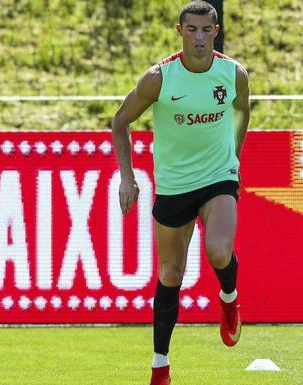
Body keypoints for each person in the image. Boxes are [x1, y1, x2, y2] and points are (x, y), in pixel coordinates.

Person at [111, 1, 250, 384]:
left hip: (218, 176)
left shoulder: (233, 74)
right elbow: (120, 121)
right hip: (174, 184)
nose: (200, 38)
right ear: (180, 31)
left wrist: (233, 160)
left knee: (218, 250)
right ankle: (161, 366)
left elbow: (242, 111)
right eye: (192, 30)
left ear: (216, 32)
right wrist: (128, 178)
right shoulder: (159, 78)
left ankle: (229, 300)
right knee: (171, 273)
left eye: (207, 30)